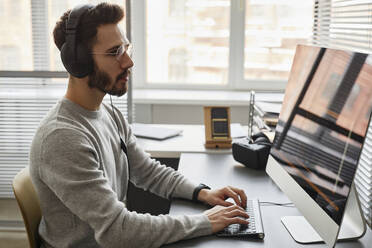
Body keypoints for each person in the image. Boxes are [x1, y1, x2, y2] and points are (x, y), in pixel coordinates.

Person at [29, 3, 249, 248]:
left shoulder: (109, 114)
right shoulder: (63, 137)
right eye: (114, 53)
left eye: (125, 48)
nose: (128, 62)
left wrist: (201, 192)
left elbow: (147, 171)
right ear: (79, 63)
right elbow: (118, 231)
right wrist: (204, 222)